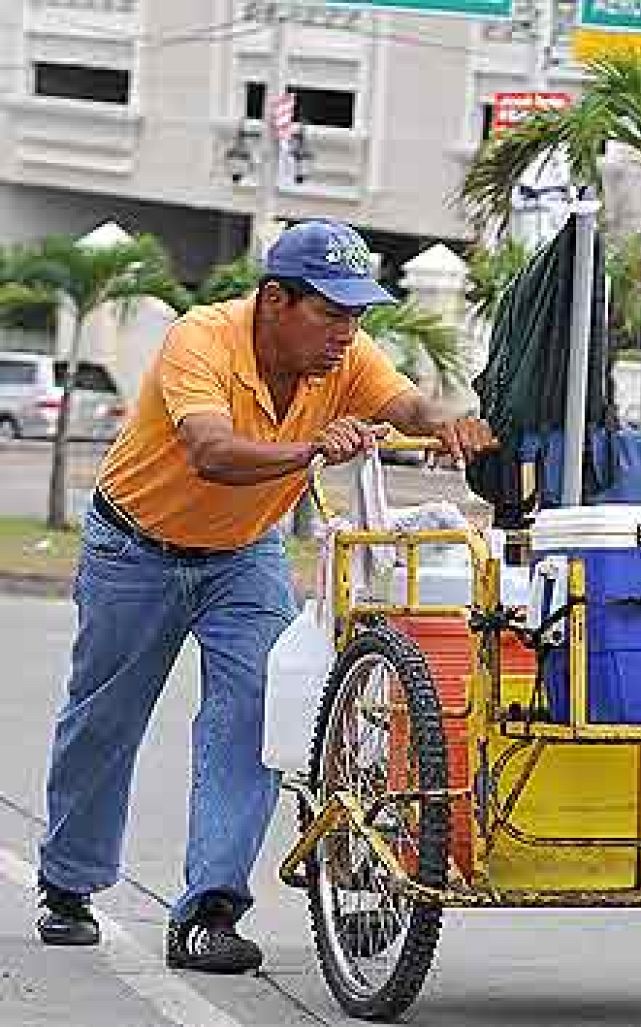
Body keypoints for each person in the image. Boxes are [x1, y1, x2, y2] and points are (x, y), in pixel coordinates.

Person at [33, 220, 495, 974]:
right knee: (105, 720)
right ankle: (69, 883)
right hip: (135, 546)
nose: (347, 333)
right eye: (331, 313)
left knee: (252, 714)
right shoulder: (202, 340)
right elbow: (211, 453)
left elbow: (407, 407)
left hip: (244, 554)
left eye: (357, 316)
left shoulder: (343, 354)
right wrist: (313, 447)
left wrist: (451, 424)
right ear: (276, 300)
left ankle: (210, 910)